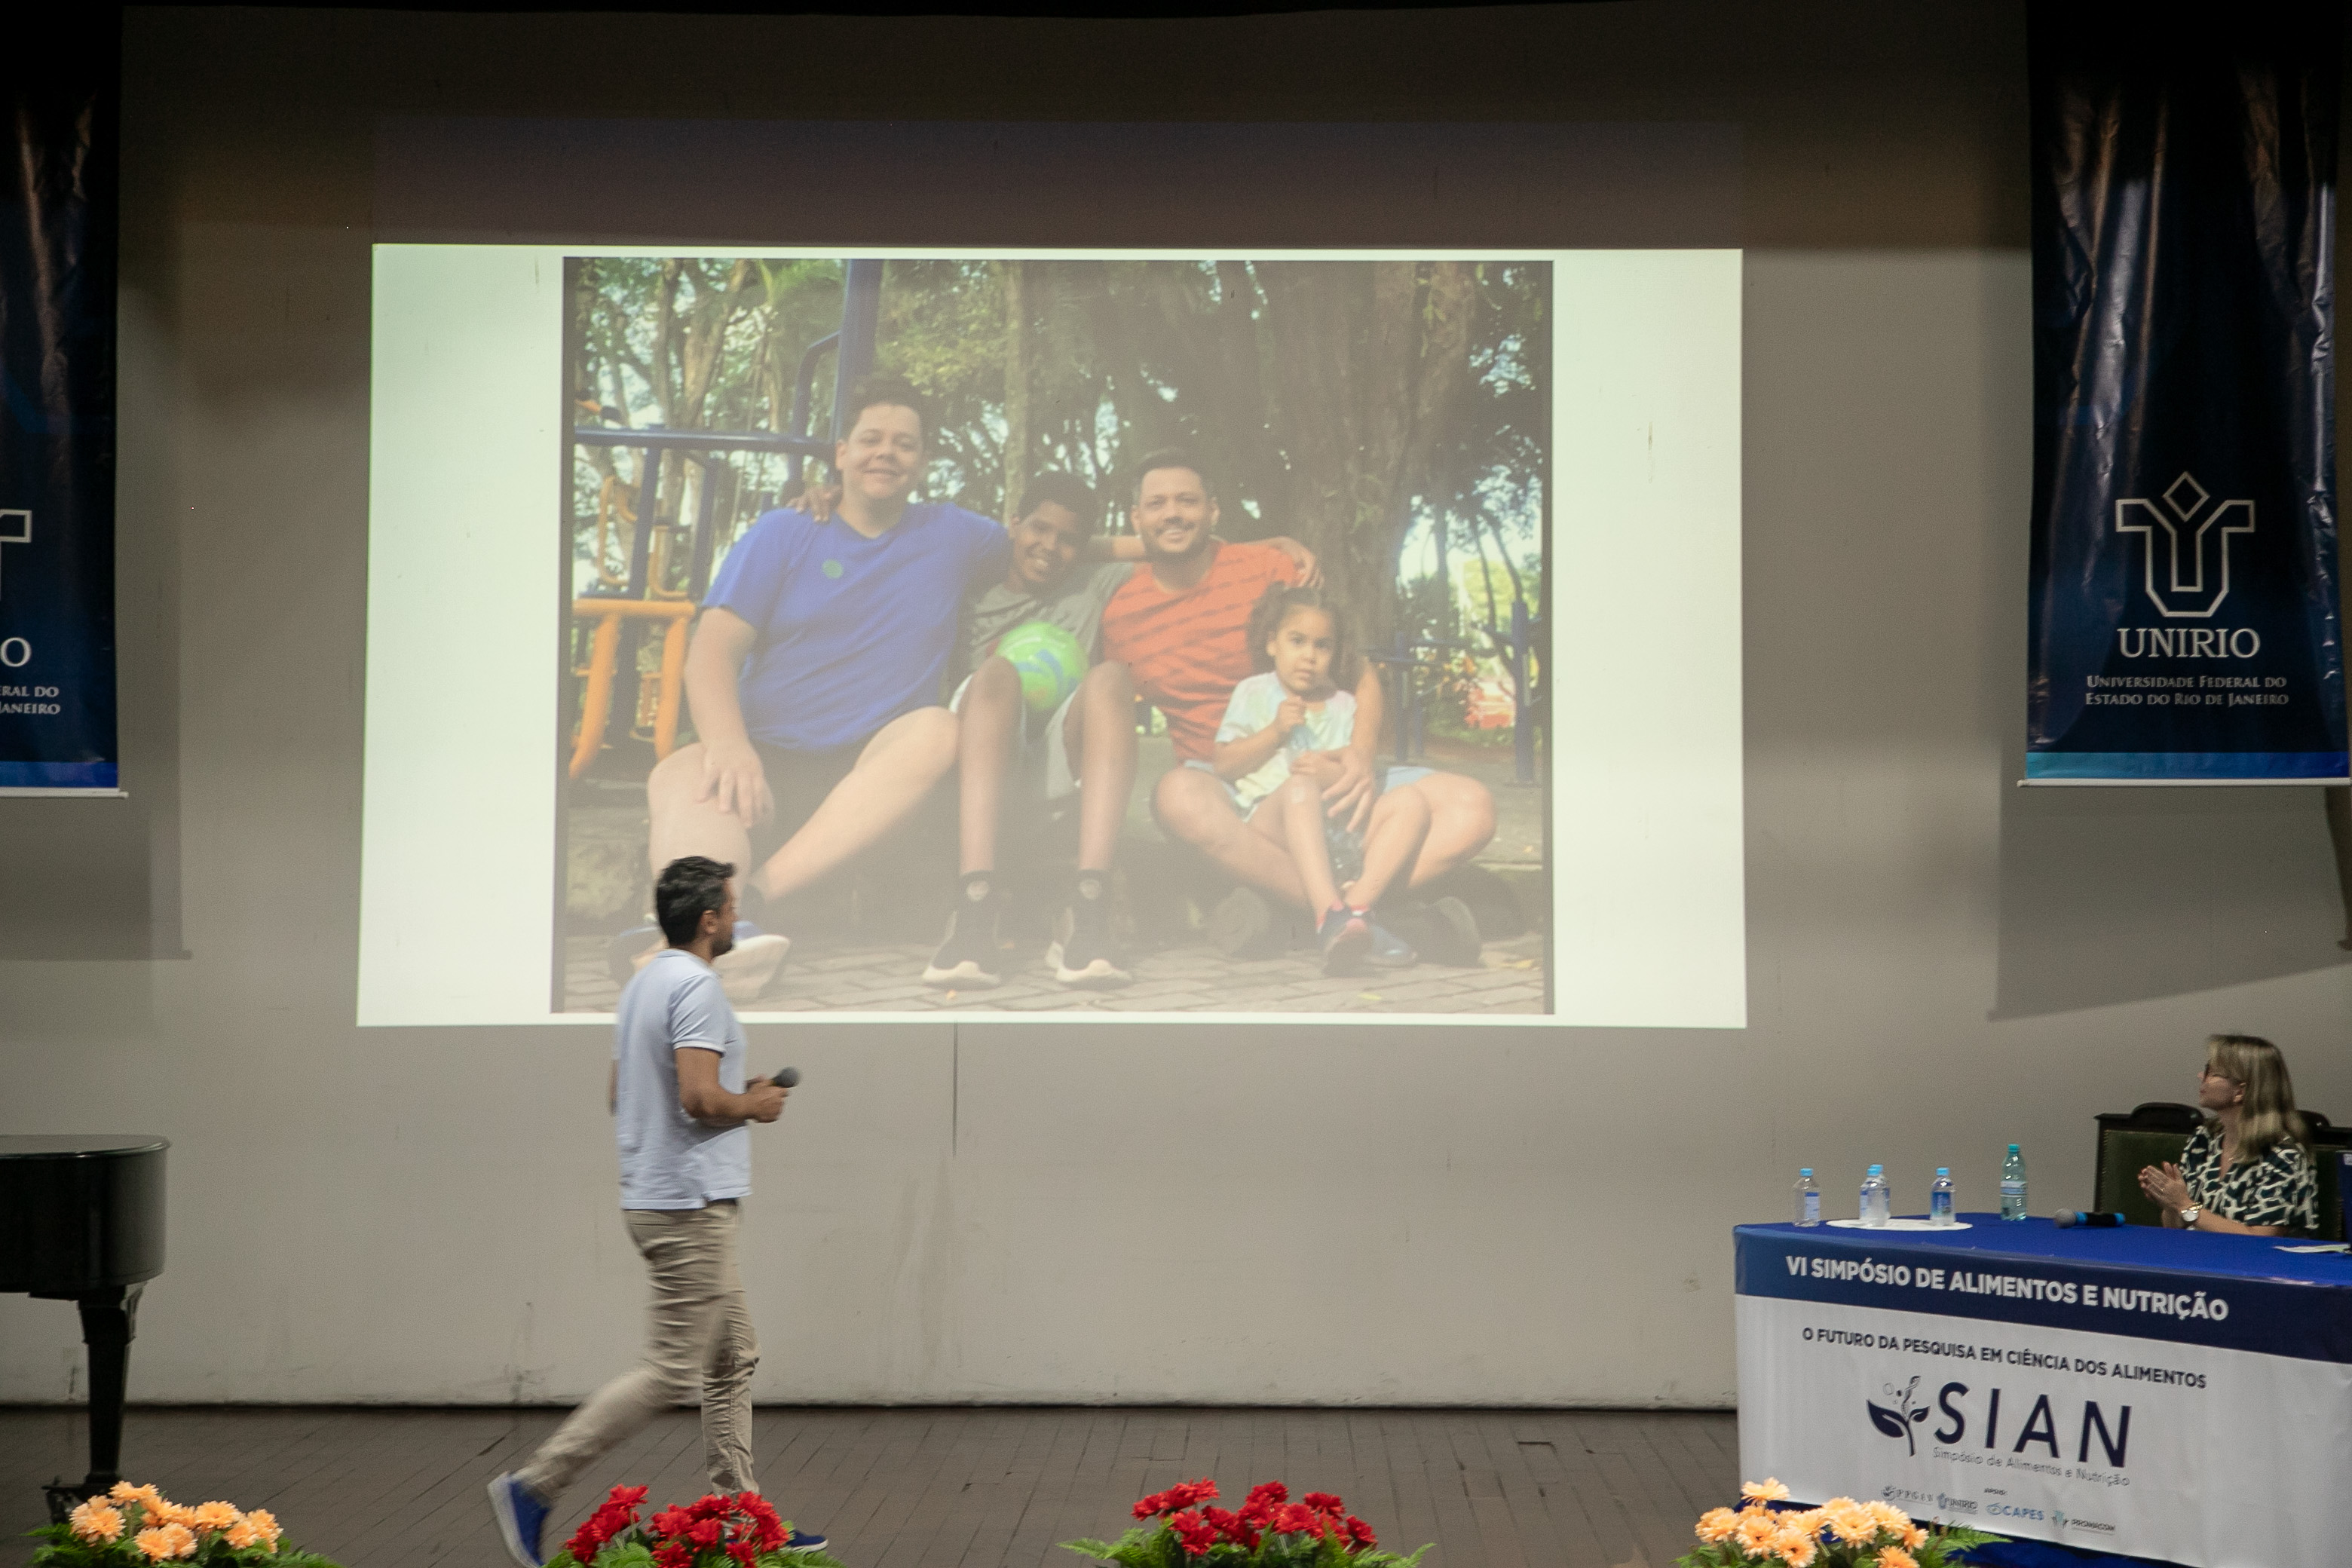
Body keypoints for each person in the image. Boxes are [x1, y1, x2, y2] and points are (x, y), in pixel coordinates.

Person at [622, 374, 1011, 1002]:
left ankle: (742, 910)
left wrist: (1163, 542)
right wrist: (729, 745)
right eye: (871, 439)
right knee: (680, 773)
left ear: (923, 462)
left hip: (871, 780)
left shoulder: (957, 534)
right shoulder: (784, 530)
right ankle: (702, 940)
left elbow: (1057, 544)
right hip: (762, 769)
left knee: (938, 728)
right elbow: (712, 651)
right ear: (841, 453)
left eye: (905, 444)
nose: (886, 453)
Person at [492, 857, 824, 1565]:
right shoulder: (698, 986)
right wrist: (753, 1104)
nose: (737, 919)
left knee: (732, 1354)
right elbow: (699, 1099)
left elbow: (625, 1090)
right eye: (731, 908)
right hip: (689, 1206)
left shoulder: (644, 982)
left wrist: (731, 1090)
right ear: (708, 920)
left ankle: (743, 1520)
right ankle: (536, 1484)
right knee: (671, 1370)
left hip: (659, 1197)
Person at [1099, 448, 1499, 960]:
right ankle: (1367, 915)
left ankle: (1322, 913)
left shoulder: (1271, 568)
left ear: (1214, 511)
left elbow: (1359, 672)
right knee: (1178, 797)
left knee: (1473, 808)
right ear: (1136, 519)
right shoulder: (1123, 613)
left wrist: (1360, 754)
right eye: (1157, 504)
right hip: (1230, 784)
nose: (1173, 514)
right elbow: (1050, 547)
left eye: (1187, 501)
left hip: (1326, 767)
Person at [922, 473, 1140, 989]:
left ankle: (1089, 907)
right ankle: (975, 908)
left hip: (1061, 757)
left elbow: (1167, 542)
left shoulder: (1092, 583)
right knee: (998, 671)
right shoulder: (972, 592)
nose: (1050, 547)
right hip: (986, 756)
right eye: (1039, 529)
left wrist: (1275, 544)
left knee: (1111, 677)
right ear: (1014, 524)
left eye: (1069, 540)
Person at [1214, 584, 1442, 976]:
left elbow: (1351, 774)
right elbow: (1224, 764)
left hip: (1337, 835)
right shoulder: (1253, 692)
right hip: (1275, 822)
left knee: (1411, 801)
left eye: (1322, 646)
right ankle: (1329, 916)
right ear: (1272, 643)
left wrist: (1333, 773)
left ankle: (1357, 912)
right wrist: (1274, 732)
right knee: (1300, 787)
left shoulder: (1345, 705)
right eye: (1297, 641)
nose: (1309, 656)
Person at [2137, 1033, 2319, 1236]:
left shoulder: (2283, 1156)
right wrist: (2170, 1203)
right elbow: (2178, 1227)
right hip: (2199, 1253)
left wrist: (2184, 1205)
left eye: (2212, 1072)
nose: (2201, 1076)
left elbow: (2259, 1238)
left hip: (2258, 1257)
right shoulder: (2204, 1140)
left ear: (2240, 1092)